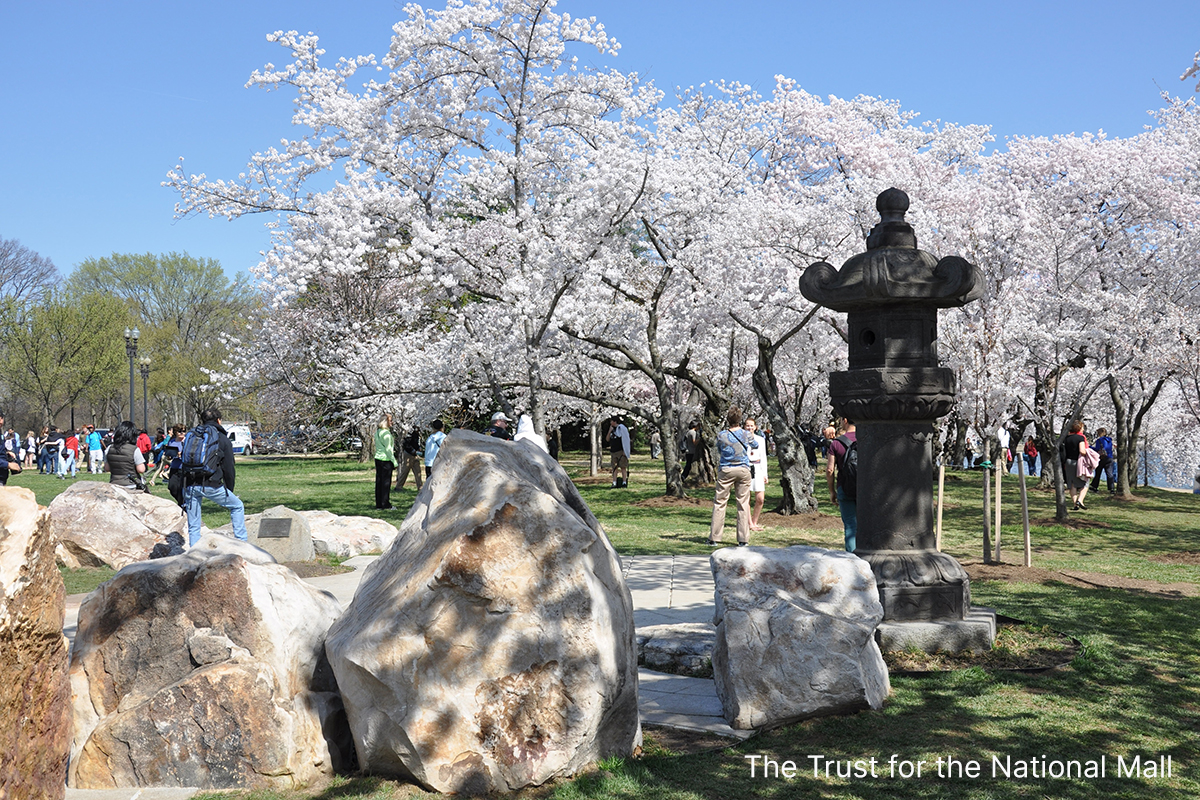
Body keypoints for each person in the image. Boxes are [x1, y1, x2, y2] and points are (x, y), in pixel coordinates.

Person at [183, 408, 248, 546]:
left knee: (194, 526)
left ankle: (194, 555)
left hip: (191, 484)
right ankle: (242, 544)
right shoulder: (222, 439)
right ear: (219, 420)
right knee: (237, 506)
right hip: (211, 484)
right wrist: (229, 489)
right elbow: (228, 468)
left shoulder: (193, 436)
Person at [709, 406, 757, 546]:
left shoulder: (721, 435)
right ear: (740, 420)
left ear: (728, 419)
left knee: (720, 502)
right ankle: (743, 539)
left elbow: (719, 450)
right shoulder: (746, 434)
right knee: (742, 503)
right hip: (743, 469)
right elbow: (755, 445)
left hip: (726, 469)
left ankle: (714, 537)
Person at [827, 417, 858, 552]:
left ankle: (853, 559)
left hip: (844, 487)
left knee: (851, 526)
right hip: (866, 489)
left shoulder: (836, 443)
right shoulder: (868, 440)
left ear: (845, 420)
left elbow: (830, 469)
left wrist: (832, 491)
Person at [104, 421, 146, 491]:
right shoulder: (134, 449)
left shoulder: (109, 448)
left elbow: (107, 468)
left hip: (114, 483)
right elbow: (141, 469)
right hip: (131, 485)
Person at [1060, 420, 1091, 510]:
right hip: (1079, 462)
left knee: (1072, 483)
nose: (1083, 429)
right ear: (1079, 428)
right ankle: (1080, 500)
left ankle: (1075, 504)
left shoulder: (1066, 438)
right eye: (1082, 427)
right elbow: (1082, 451)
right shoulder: (1080, 438)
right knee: (1085, 482)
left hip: (1068, 462)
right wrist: (1087, 452)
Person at [745, 416, 768, 531]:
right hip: (746, 467)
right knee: (746, 497)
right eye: (747, 425)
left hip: (758, 468)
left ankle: (755, 521)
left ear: (755, 427)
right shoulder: (742, 439)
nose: (749, 427)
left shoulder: (761, 440)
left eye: (751, 425)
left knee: (760, 498)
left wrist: (765, 474)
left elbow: (763, 457)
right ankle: (749, 523)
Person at [374, 414, 398, 510]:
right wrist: (394, 462)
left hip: (378, 458)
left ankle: (379, 504)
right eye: (390, 420)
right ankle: (386, 504)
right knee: (386, 483)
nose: (392, 422)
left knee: (379, 482)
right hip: (385, 459)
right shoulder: (387, 434)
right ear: (385, 422)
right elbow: (388, 450)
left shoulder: (378, 432)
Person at [395, 427, 424, 491]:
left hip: (415, 454)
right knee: (405, 470)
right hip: (408, 454)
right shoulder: (409, 434)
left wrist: (418, 448)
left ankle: (420, 487)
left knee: (418, 471)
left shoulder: (417, 434)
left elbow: (416, 443)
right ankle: (398, 486)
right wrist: (412, 450)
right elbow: (406, 444)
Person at [606, 416, 631, 488]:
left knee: (623, 467)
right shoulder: (612, 430)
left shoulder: (621, 428)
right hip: (613, 451)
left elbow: (625, 440)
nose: (610, 423)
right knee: (614, 468)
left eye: (611, 421)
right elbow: (607, 439)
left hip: (620, 451)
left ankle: (624, 482)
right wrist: (609, 431)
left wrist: (625, 451)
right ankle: (614, 482)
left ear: (615, 422)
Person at [1090, 427, 1116, 495]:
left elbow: (1097, 449)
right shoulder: (1109, 440)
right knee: (1109, 473)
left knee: (1098, 472)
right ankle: (1111, 488)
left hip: (1102, 458)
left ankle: (1094, 486)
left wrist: (1090, 447)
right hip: (1110, 458)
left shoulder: (1099, 440)